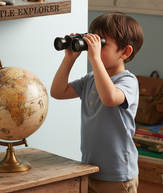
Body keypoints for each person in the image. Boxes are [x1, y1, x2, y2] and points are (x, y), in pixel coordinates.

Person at [50, 12, 143, 193]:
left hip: (117, 174)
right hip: (90, 168)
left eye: (101, 44)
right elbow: (57, 92)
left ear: (125, 51)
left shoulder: (128, 81)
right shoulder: (90, 80)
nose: (94, 49)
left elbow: (109, 98)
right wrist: (69, 59)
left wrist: (95, 59)